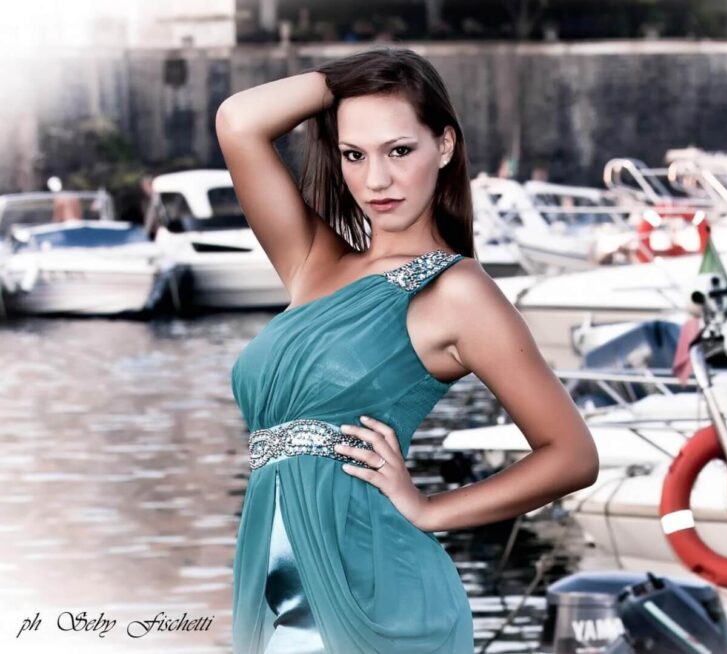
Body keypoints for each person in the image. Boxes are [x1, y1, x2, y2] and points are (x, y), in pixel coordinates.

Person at [216, 47, 599, 653]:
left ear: (443, 146)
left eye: (398, 150)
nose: (376, 180)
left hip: (379, 593)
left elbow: (572, 456)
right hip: (277, 582)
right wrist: (354, 79)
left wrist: (429, 509)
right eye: (354, 154)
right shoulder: (313, 263)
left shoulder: (457, 292)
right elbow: (239, 121)